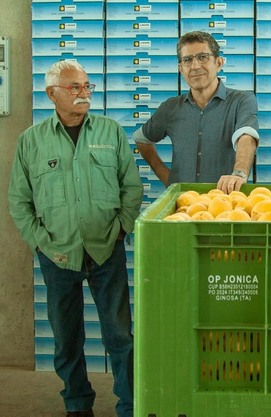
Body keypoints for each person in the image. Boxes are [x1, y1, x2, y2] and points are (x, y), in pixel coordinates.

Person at [8, 60, 142, 417]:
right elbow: (19, 200)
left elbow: (131, 187)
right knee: (66, 338)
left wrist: (121, 229)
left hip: (106, 249)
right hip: (57, 254)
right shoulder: (31, 140)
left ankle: (130, 406)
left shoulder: (110, 131)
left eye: (87, 86)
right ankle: (78, 404)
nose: (84, 93)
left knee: (120, 336)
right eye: (74, 87)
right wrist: (39, 241)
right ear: (51, 94)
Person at [133, 30, 259, 194]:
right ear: (181, 68)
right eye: (187, 60)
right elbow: (141, 139)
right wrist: (168, 179)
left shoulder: (242, 100)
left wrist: (239, 173)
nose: (195, 66)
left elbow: (246, 136)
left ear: (219, 63)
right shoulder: (170, 108)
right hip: (183, 204)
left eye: (202, 57)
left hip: (226, 202)